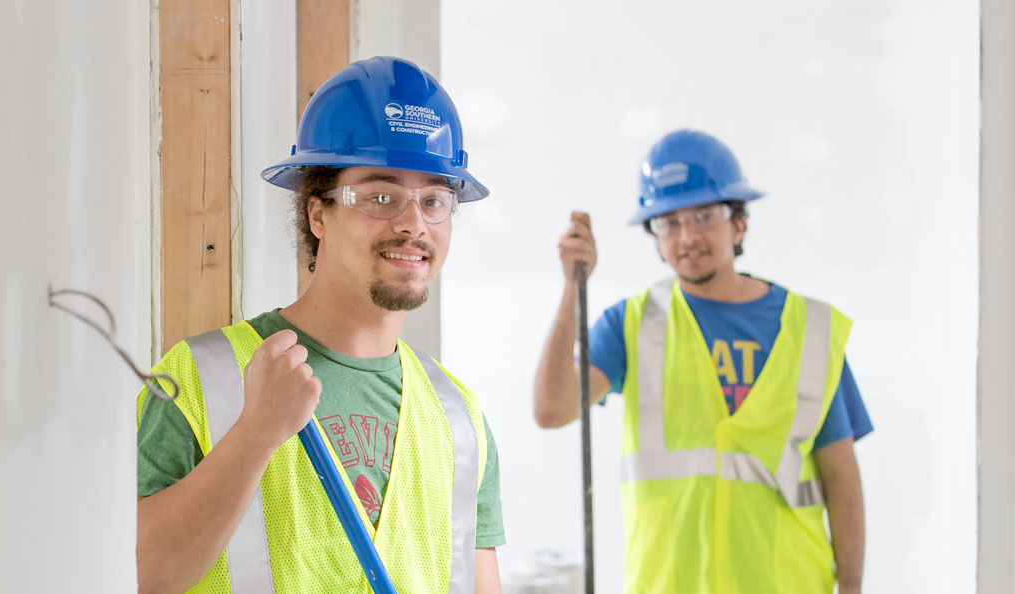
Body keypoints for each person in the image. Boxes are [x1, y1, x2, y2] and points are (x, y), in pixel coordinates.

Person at [135, 56, 505, 594]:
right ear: (317, 215)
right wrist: (254, 436)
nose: (412, 224)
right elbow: (139, 574)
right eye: (381, 197)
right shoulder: (201, 378)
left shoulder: (459, 420)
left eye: (434, 200)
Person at [532, 130, 872, 593]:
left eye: (704, 216)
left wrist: (851, 586)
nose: (687, 236)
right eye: (669, 222)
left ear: (738, 222)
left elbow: (841, 476)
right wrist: (574, 288)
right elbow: (551, 410)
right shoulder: (632, 324)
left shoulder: (808, 330)